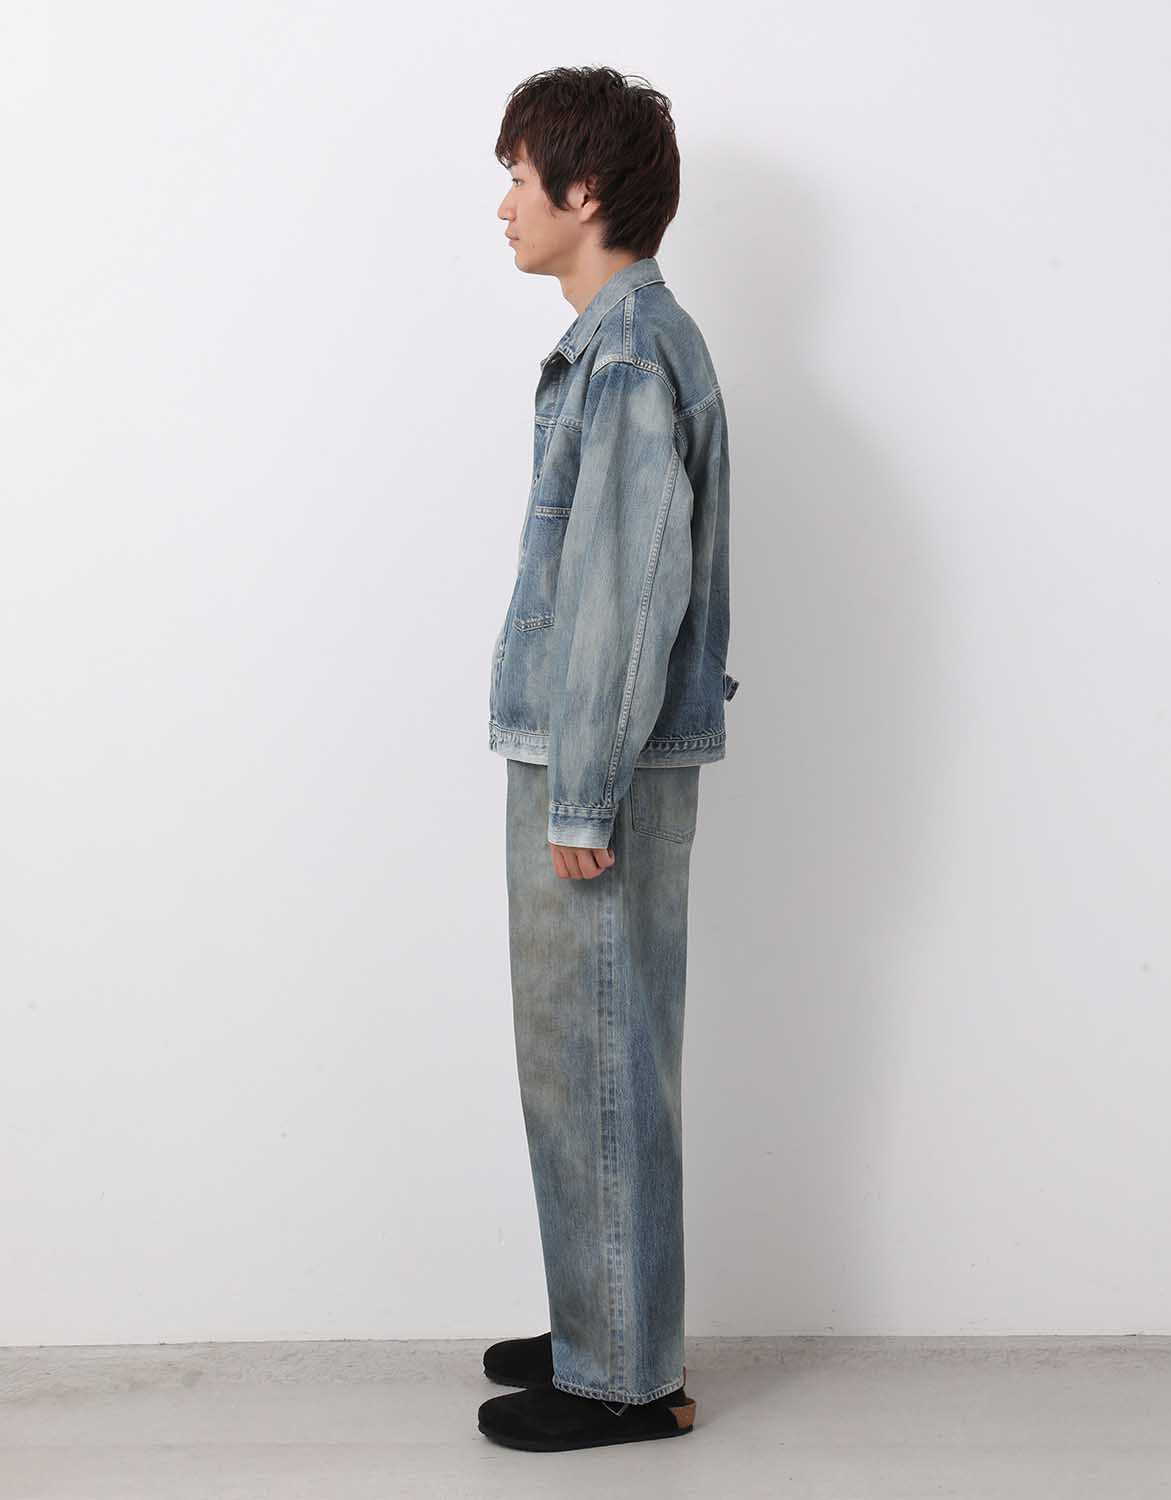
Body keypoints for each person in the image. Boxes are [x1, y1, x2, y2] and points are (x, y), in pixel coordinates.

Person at [478, 64, 739, 1453]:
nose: (505, 206)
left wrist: (582, 793)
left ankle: (626, 1376)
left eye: (520, 177)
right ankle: (602, 1323)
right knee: (577, 1057)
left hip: (599, 765)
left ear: (585, 192)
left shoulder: (630, 353)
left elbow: (627, 594)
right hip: (586, 751)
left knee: (599, 1063)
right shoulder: (617, 344)